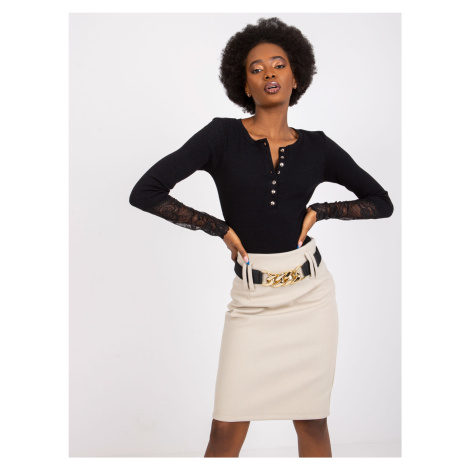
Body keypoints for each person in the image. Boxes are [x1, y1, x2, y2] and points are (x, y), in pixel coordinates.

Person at [129, 17, 394, 458]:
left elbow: (380, 202)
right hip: (252, 302)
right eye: (257, 68)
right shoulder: (220, 136)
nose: (269, 72)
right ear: (245, 85)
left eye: (279, 64)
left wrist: (322, 210)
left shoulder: (318, 147)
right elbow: (146, 192)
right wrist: (217, 227)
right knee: (225, 430)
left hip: (311, 300)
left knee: (312, 424)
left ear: (296, 77)